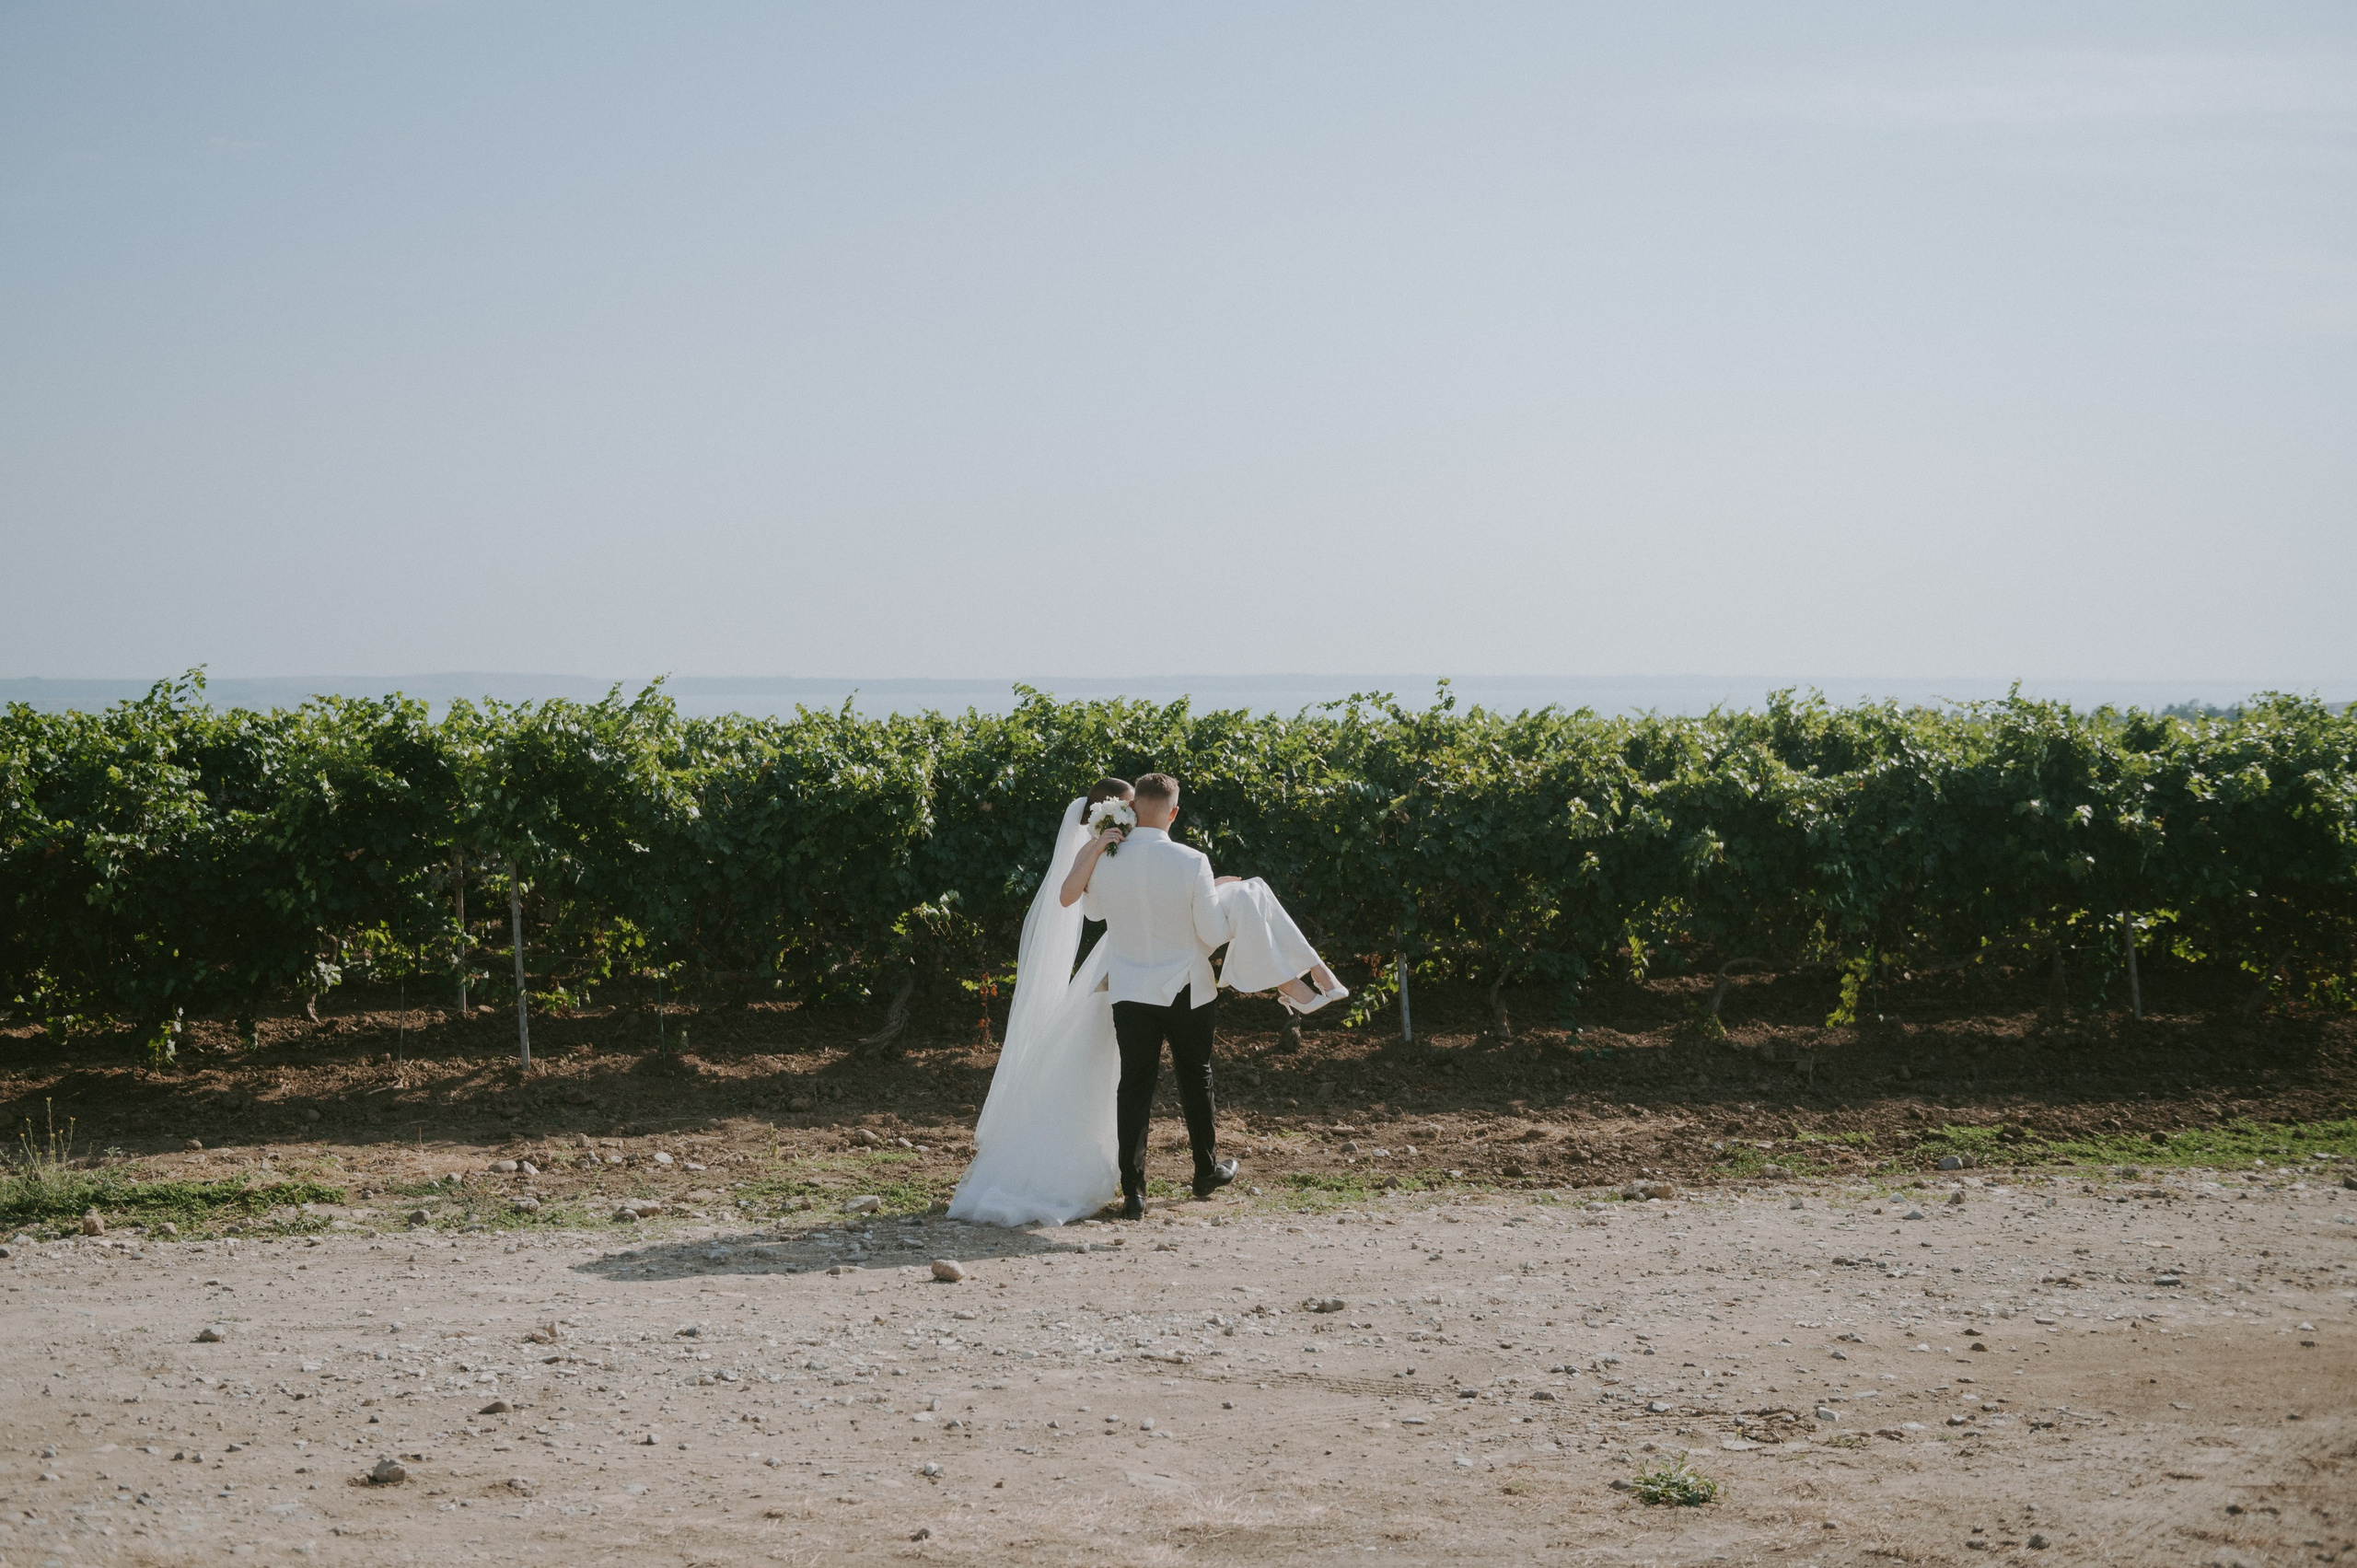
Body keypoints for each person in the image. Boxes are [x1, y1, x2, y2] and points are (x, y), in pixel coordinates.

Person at [947, 774, 1346, 1227]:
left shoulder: (1107, 858)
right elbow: (1213, 935)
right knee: (1196, 1076)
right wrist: (1219, 894)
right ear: (1173, 813)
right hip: (1188, 989)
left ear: (1135, 810)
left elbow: (1088, 909)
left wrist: (1097, 850)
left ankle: (1134, 1193)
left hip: (1131, 992)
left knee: (1134, 1086)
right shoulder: (1192, 860)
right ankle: (1204, 1171)